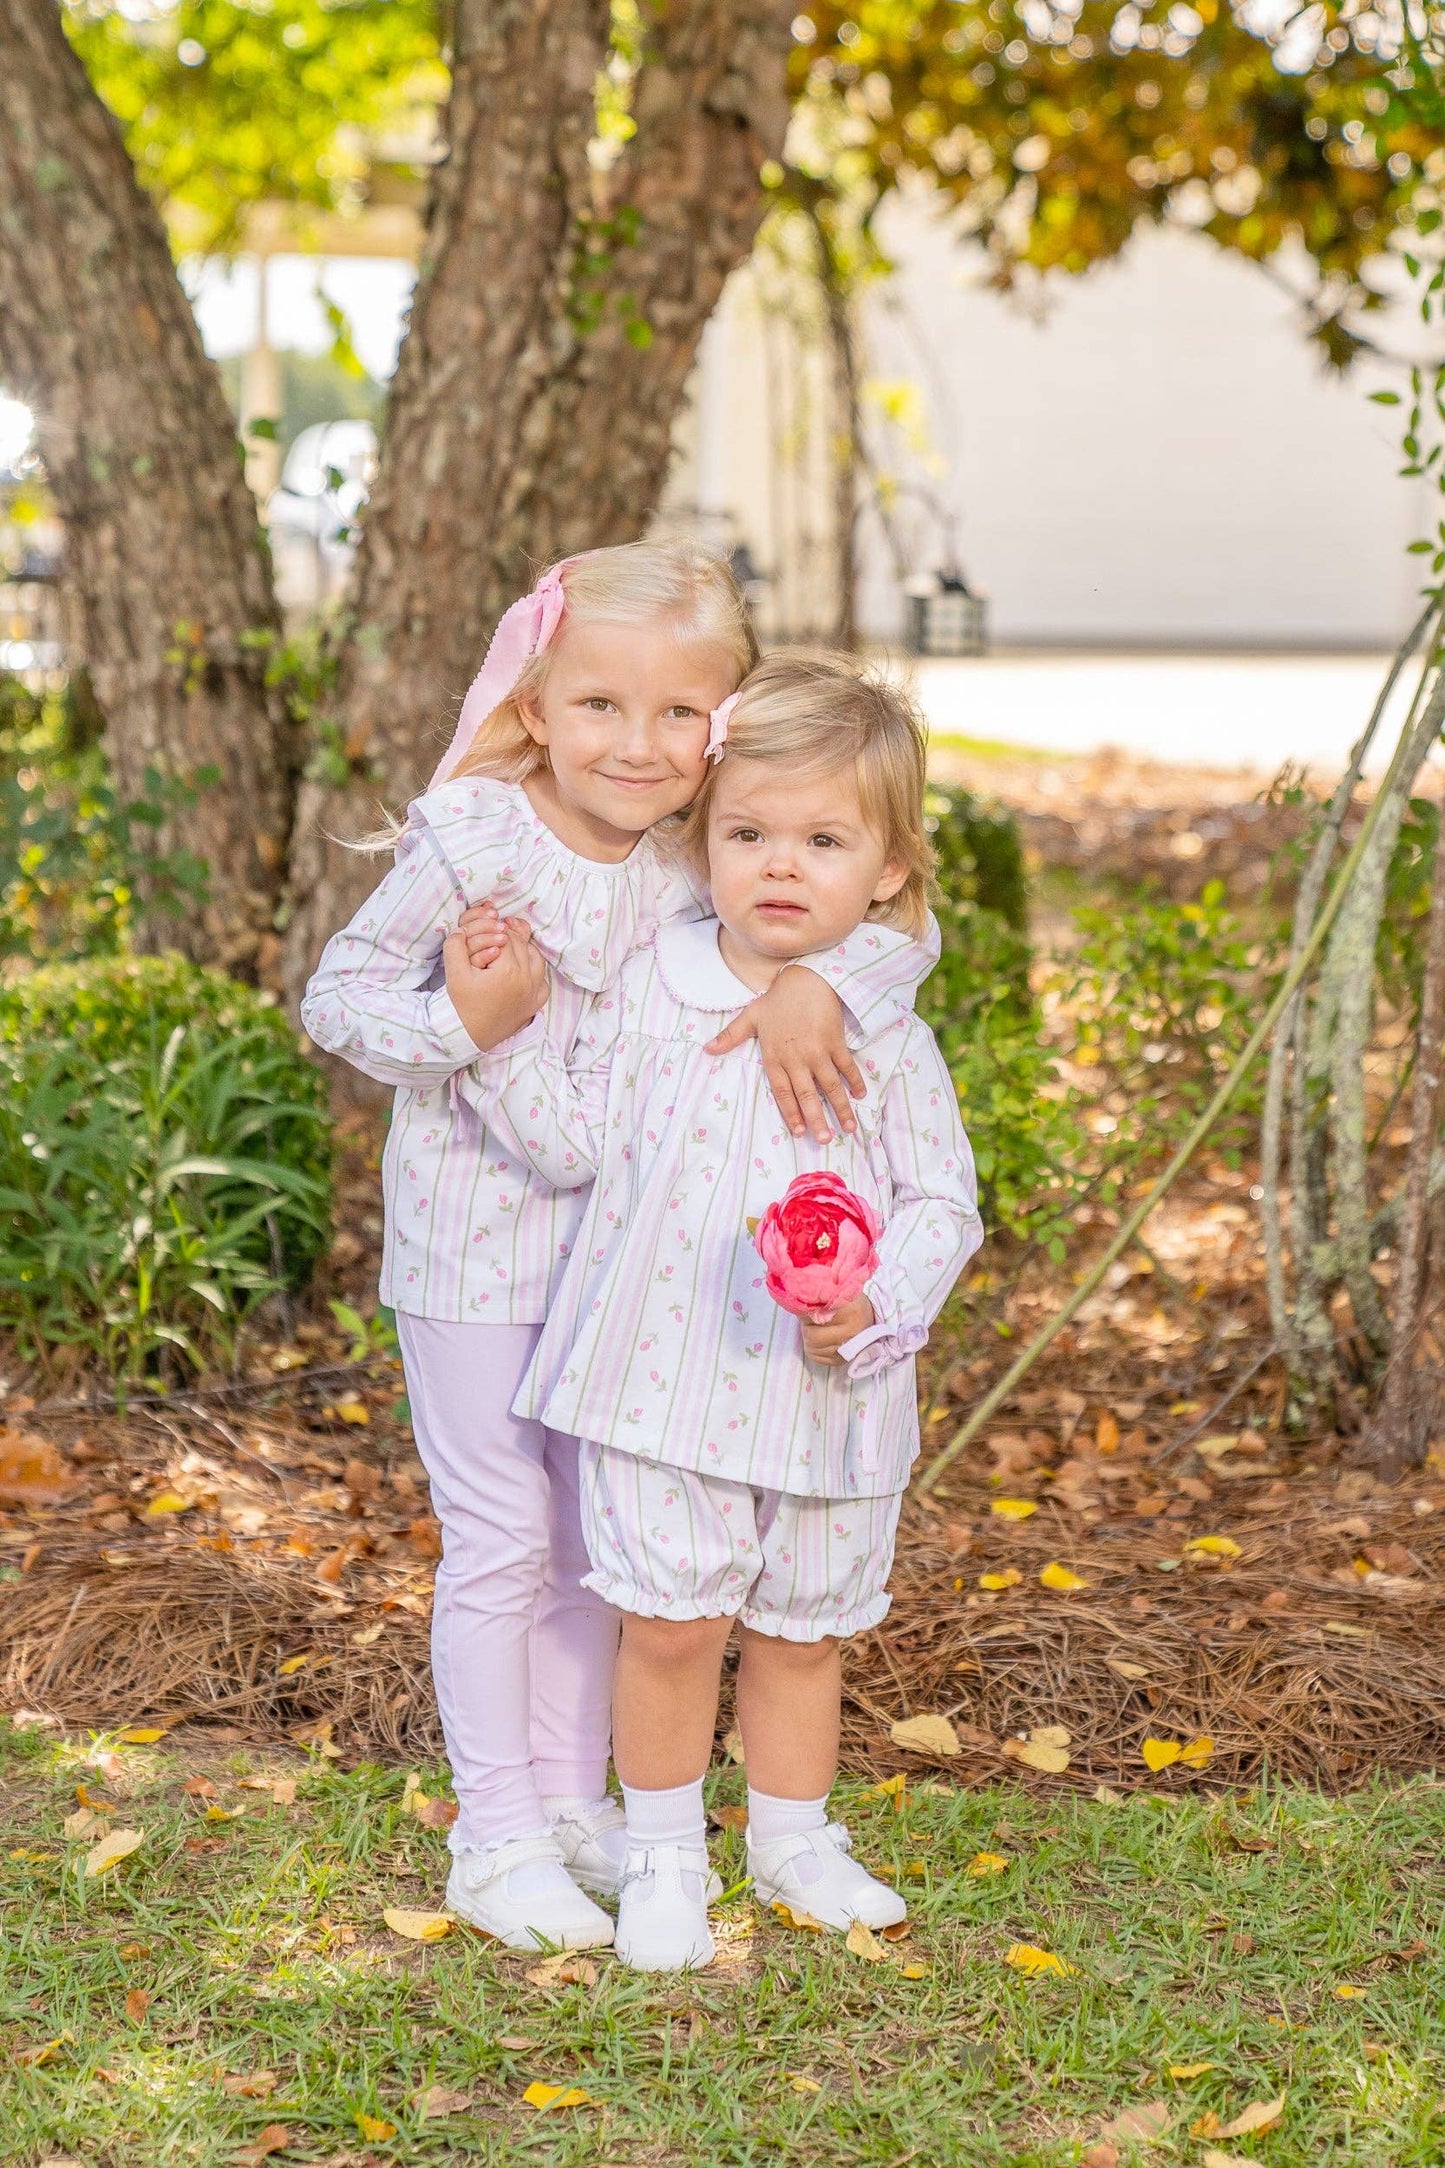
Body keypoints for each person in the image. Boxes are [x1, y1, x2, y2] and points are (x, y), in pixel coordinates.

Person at [301, 548, 939, 1951]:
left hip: (634, 1273)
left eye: (676, 719)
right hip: (477, 1254)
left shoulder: (687, 839)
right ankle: (497, 1835)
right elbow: (338, 996)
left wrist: (819, 985)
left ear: (718, 725)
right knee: (503, 1537)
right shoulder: (475, 839)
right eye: (598, 705)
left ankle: (582, 1802)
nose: (638, 748)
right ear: (534, 703)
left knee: (606, 1546)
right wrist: (465, 1026)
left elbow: (881, 908)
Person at [455, 649, 982, 1970]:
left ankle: (793, 1841)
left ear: (887, 875)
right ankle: (662, 1853)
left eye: (820, 839)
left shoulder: (888, 1031)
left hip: (825, 1390)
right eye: (747, 834)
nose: (779, 866)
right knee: (675, 1622)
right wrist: (496, 1033)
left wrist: (873, 1303)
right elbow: (572, 1141)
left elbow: (940, 1202)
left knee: (802, 1628)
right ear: (704, 844)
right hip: (664, 1376)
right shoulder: (652, 988)